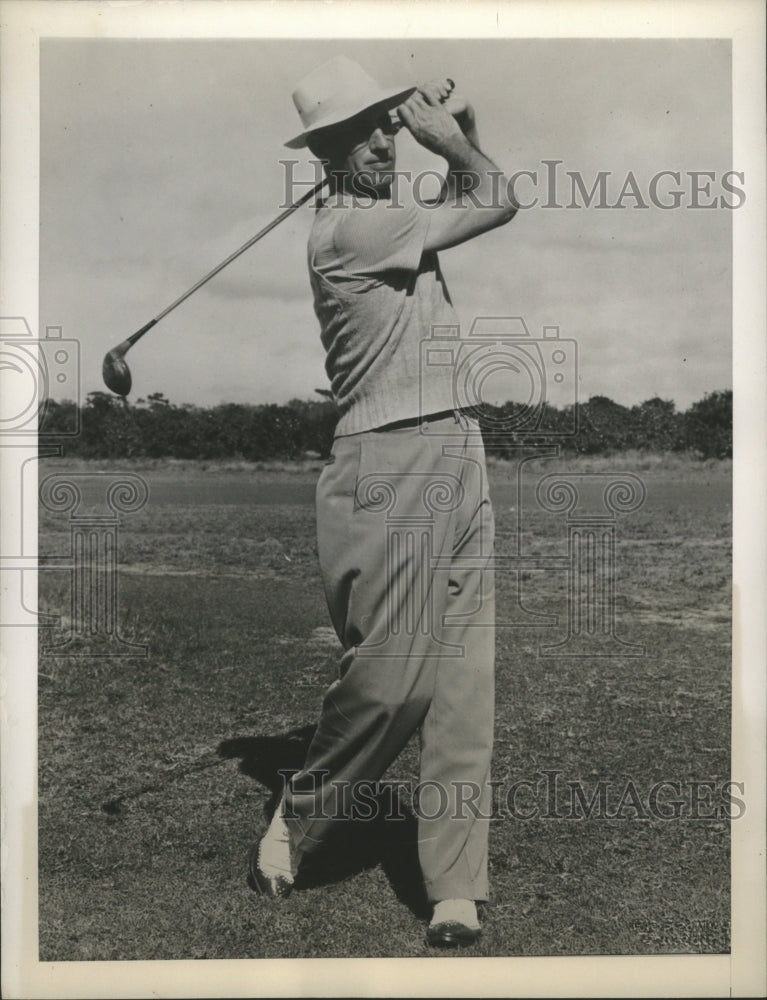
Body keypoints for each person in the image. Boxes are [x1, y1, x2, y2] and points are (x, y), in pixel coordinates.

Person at [249, 55, 517, 948]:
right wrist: (450, 136)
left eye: (382, 125)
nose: (377, 143)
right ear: (324, 153)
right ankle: (307, 800)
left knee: (462, 685)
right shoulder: (356, 227)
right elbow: (495, 198)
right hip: (386, 459)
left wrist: (456, 133)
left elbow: (464, 187)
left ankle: (454, 884)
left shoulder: (385, 212)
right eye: (353, 135)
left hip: (456, 446)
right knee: (395, 678)